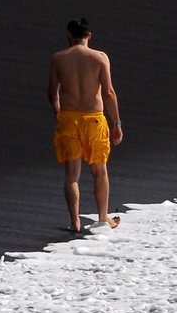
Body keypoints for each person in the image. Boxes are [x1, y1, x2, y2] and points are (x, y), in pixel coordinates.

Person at [47, 17, 123, 234]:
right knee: (99, 170)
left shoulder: (59, 58)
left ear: (69, 36)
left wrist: (58, 110)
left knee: (72, 174)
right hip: (94, 118)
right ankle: (102, 218)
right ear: (89, 36)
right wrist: (117, 122)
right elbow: (108, 92)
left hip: (69, 117)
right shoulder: (100, 58)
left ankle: (75, 222)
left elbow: (52, 92)